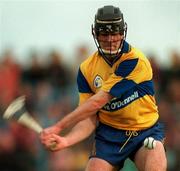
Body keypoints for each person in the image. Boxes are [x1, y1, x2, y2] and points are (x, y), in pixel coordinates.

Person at [40, 5, 167, 171]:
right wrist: (66, 140)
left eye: (115, 32)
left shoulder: (135, 61)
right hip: (109, 136)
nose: (110, 39)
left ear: (123, 32)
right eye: (104, 33)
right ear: (95, 34)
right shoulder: (86, 69)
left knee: (155, 153)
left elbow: (97, 102)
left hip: (145, 132)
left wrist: (59, 126)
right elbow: (89, 117)